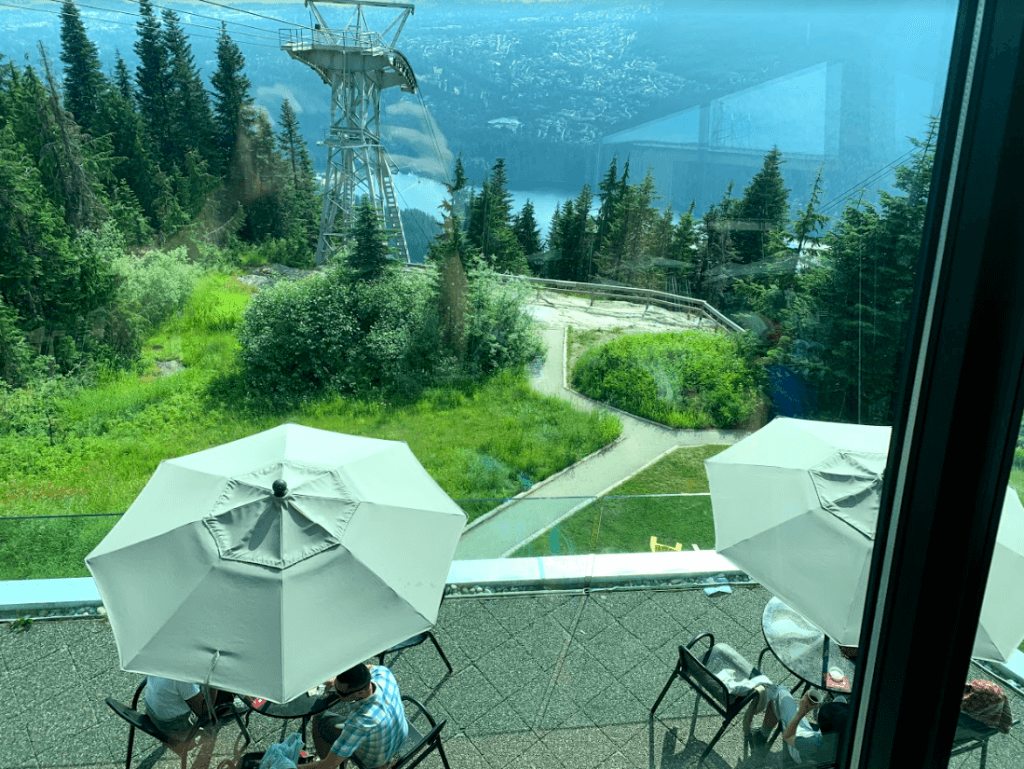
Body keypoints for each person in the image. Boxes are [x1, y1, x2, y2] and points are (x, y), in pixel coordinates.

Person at [304, 663, 408, 769]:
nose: (336, 693)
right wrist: (332, 682)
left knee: (319, 720)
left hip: (375, 761)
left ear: (360, 693)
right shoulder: (383, 672)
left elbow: (329, 764)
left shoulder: (360, 721)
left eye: (341, 693)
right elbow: (369, 667)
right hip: (398, 739)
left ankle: (327, 755)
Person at [749, 684, 849, 764]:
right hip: (836, 750)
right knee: (840, 700)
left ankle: (762, 735)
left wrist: (801, 712)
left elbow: (788, 736)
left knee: (779, 692)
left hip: (802, 753)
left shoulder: (813, 742)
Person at [143, 676, 237, 743]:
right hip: (174, 727)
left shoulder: (160, 659)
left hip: (151, 712)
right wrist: (214, 683)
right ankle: (238, 705)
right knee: (226, 696)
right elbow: (205, 714)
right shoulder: (182, 678)